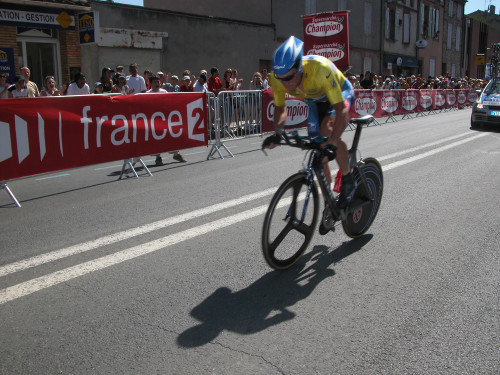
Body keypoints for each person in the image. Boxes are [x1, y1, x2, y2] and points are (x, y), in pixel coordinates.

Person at [264, 36, 356, 229]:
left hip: (340, 95)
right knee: (318, 153)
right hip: (314, 100)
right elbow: (281, 109)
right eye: (281, 78)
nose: (285, 83)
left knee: (328, 132)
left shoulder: (320, 68)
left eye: (289, 77)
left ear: (299, 68)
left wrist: (332, 142)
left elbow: (341, 110)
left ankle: (348, 178)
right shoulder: (278, 77)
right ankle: (328, 203)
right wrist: (278, 133)